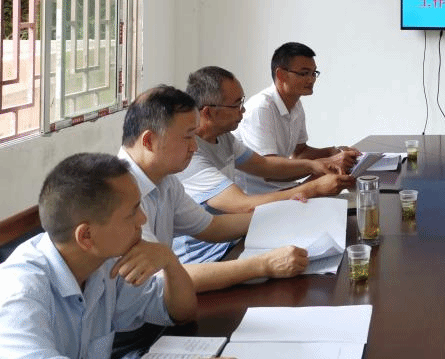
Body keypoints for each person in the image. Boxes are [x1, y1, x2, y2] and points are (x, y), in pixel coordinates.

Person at [0, 153, 206, 359]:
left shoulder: (104, 264)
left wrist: (170, 262)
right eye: (132, 213)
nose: (143, 219)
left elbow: (180, 312)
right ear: (86, 236)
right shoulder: (18, 297)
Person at [120, 85, 312, 291]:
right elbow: (159, 279)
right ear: (149, 141)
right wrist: (264, 265)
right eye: (188, 137)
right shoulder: (119, 195)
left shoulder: (166, 181)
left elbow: (212, 226)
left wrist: (280, 212)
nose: (194, 147)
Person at [177, 65, 354, 262]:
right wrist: (314, 188)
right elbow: (244, 206)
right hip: (206, 256)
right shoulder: (190, 155)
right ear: (208, 113)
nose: (243, 110)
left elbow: (264, 166)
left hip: (235, 238)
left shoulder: (224, 137)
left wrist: (315, 165)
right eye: (236, 105)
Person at [236, 42, 360, 191]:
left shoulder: (296, 104)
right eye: (304, 73)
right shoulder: (261, 108)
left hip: (283, 187)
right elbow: (269, 172)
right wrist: (328, 162)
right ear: (281, 75)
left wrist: (333, 152)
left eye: (313, 73)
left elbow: (300, 153)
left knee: (344, 181)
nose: (311, 79)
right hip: (257, 194)